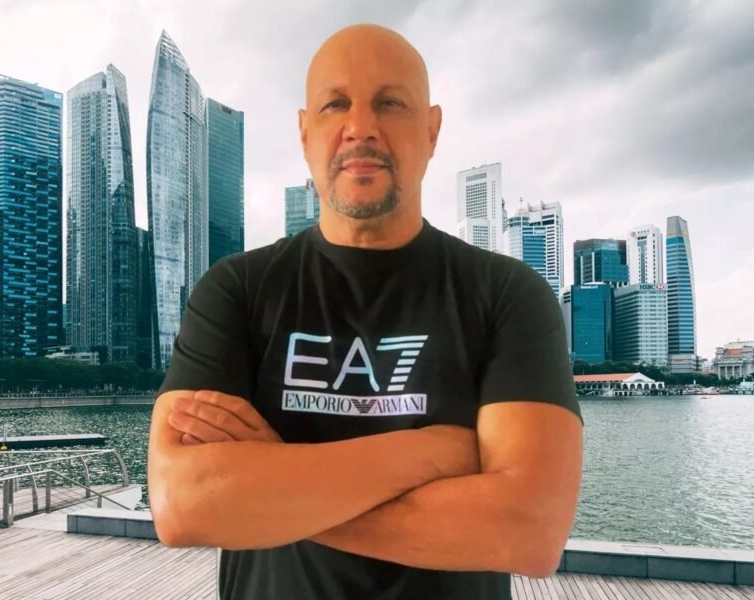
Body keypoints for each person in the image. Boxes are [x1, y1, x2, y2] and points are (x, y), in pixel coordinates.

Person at [148, 23, 583, 600]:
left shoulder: (506, 294)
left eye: (390, 103)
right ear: (305, 133)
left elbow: (529, 530)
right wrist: (430, 452)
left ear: (431, 130)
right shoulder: (237, 290)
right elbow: (182, 504)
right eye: (335, 104)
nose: (360, 127)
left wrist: (272, 486)